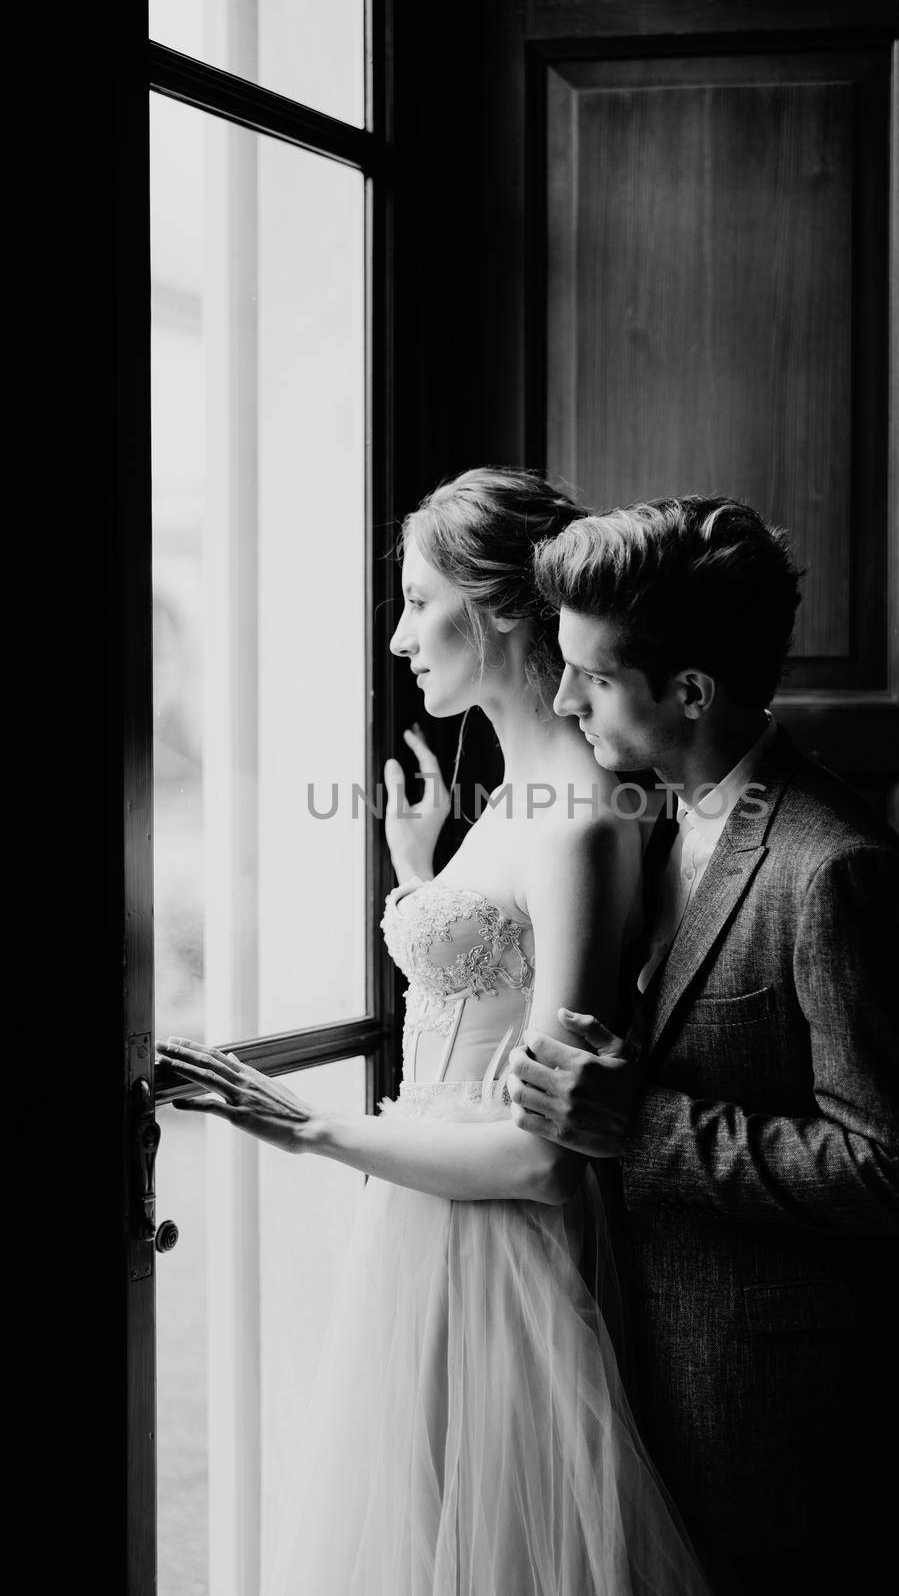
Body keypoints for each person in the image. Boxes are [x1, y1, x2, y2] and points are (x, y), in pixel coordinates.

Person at [158, 468, 710, 1596]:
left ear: (501, 609)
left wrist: (311, 1125)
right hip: (423, 1230)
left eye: (418, 603)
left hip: (493, 1254)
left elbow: (542, 1157)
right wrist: (422, 881)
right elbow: (480, 984)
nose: (403, 638)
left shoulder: (578, 821)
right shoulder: (517, 803)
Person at [506, 495, 899, 1596]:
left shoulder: (833, 868)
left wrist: (641, 1127)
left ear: (691, 692)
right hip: (636, 1380)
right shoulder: (655, 821)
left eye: (591, 676)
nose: (562, 698)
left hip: (774, 1426)